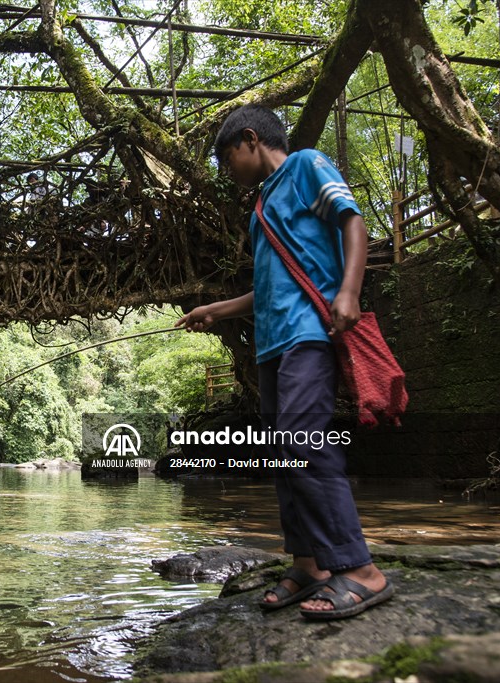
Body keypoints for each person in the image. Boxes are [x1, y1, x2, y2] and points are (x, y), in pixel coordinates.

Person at [175, 105, 394, 620]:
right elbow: (269, 288)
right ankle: (309, 563)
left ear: (250, 139)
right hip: (272, 346)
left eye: (226, 158)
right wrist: (216, 310)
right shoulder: (260, 207)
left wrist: (349, 291)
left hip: (308, 336)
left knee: (303, 442)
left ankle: (360, 569)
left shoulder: (305, 166)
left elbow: (352, 220)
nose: (226, 170)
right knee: (283, 453)